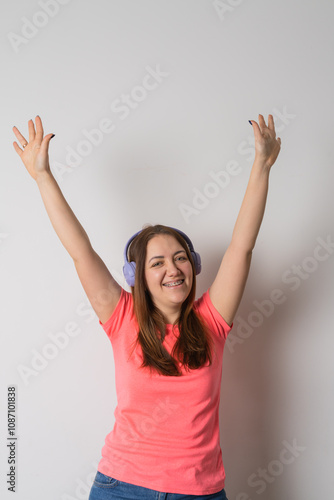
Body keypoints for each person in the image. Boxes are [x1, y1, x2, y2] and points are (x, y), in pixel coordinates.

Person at [12, 115, 281, 500]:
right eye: (157, 262)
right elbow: (79, 250)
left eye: (180, 258)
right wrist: (43, 177)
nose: (173, 269)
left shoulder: (211, 321)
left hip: (200, 492)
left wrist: (262, 166)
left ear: (194, 265)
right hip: (121, 488)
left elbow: (242, 246)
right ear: (136, 276)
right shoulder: (122, 318)